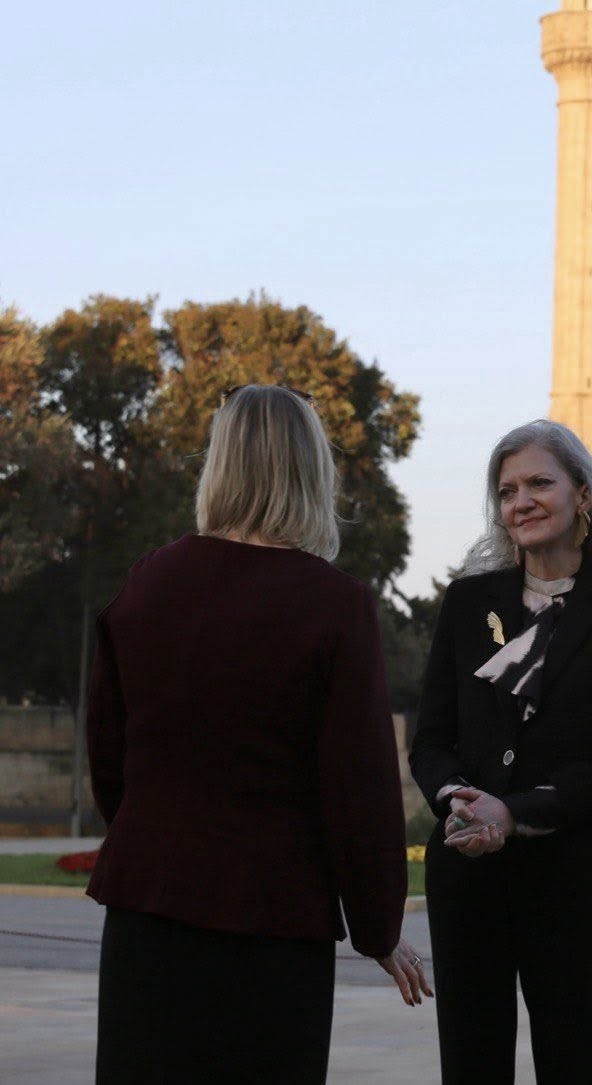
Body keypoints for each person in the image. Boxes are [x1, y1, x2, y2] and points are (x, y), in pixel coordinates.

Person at [86, 384, 429, 1084]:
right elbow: (358, 785)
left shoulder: (148, 582)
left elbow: (109, 754)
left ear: (220, 463)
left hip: (148, 912)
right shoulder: (335, 605)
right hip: (273, 920)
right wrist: (379, 926)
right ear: (311, 471)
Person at [410, 419, 592, 1084]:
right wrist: (457, 798)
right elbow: (431, 737)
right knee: (472, 1066)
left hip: (574, 880)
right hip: (469, 879)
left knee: (574, 1064)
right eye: (506, 490)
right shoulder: (470, 602)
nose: (520, 500)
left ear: (583, 494)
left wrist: (515, 810)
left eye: (538, 483)